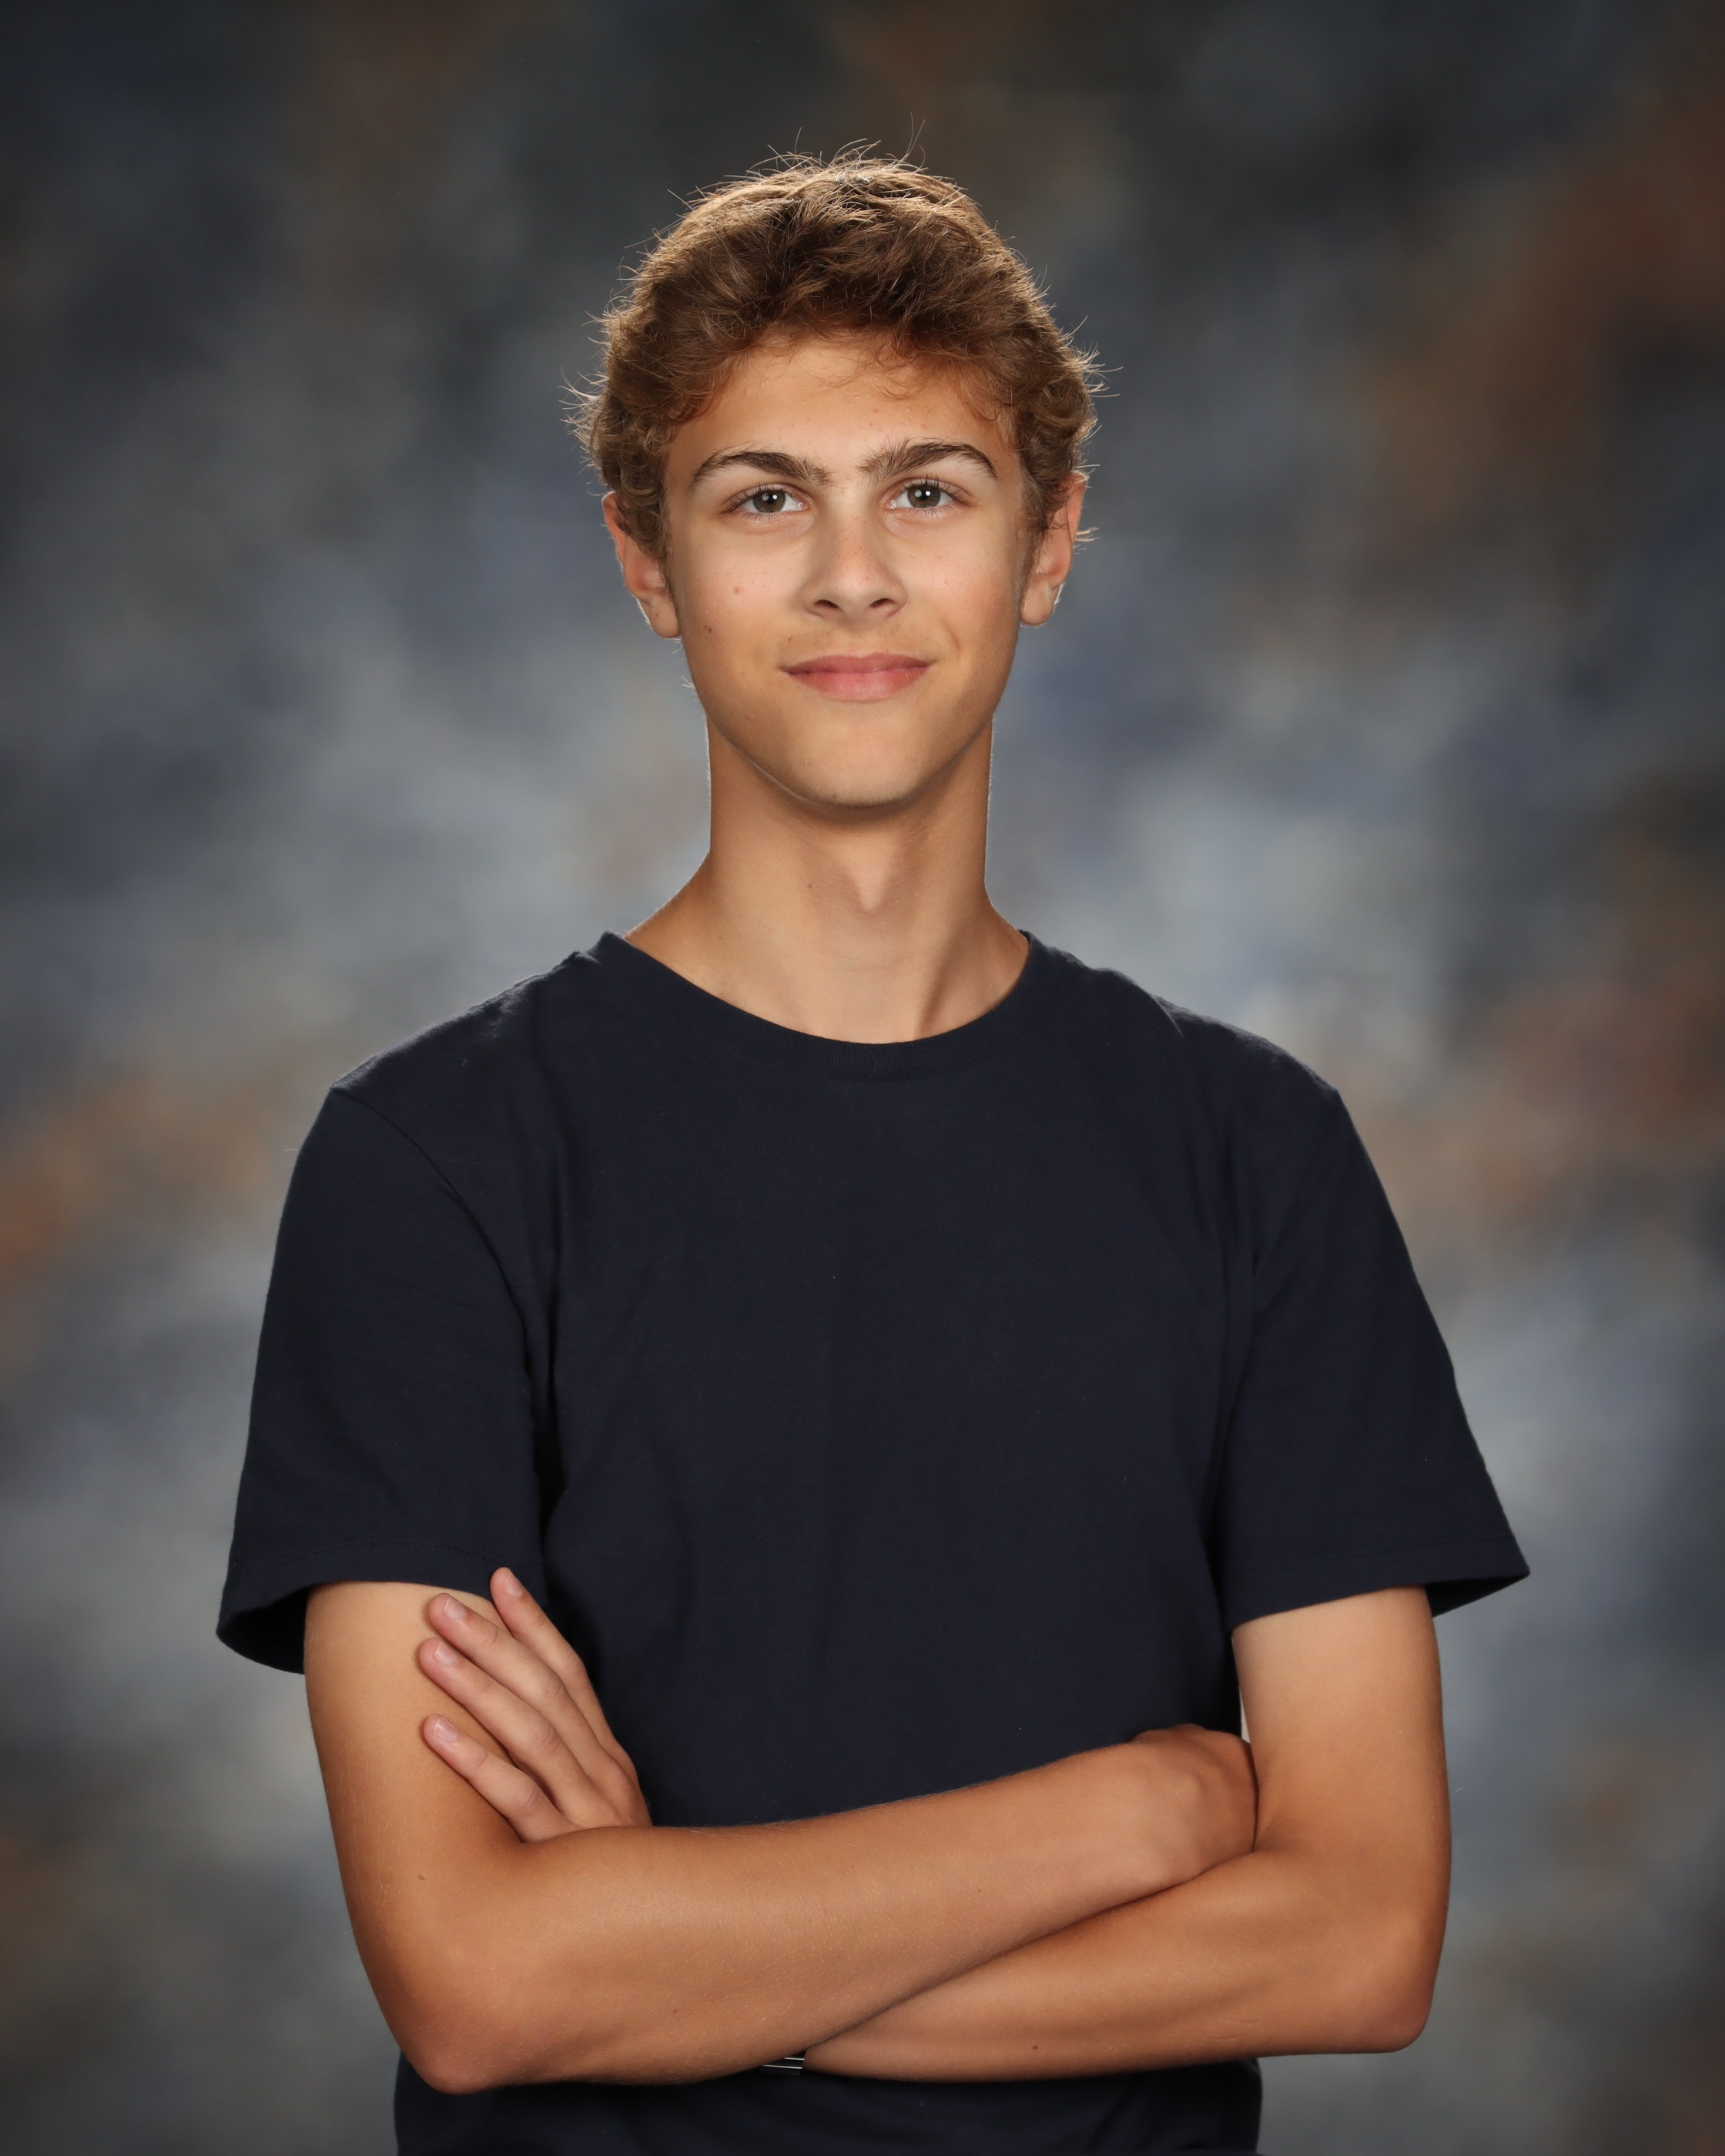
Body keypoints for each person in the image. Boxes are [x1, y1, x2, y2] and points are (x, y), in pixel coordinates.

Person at [217, 156, 1527, 2156]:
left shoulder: (1257, 1158)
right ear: (648, 561)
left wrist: (683, 1962)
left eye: (929, 490)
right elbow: (482, 1988)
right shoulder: (433, 1168)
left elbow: (1359, 1941)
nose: (853, 575)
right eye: (764, 499)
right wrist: (1132, 1813)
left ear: (1049, 539)